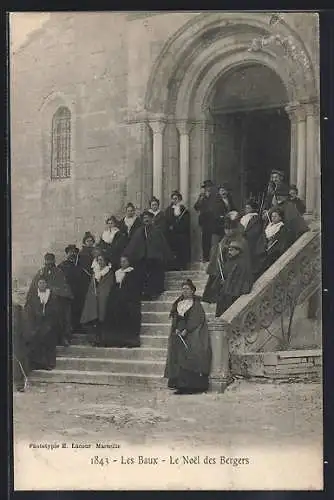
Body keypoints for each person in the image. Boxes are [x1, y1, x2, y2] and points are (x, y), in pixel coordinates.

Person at [164, 279, 212, 395]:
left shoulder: (196, 305)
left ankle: (192, 386)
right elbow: (176, 317)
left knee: (190, 356)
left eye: (187, 289)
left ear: (192, 291)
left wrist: (187, 330)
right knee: (178, 357)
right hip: (178, 333)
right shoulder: (178, 303)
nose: (185, 291)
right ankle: (180, 385)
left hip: (192, 334)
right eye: (183, 289)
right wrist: (176, 328)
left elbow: (196, 319)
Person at [26, 253, 73, 346]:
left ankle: (63, 337)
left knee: (61, 313)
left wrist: (55, 292)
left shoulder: (59, 272)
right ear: (45, 261)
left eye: (51, 260)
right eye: (47, 260)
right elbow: (34, 288)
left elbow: (63, 287)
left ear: (54, 261)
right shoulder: (40, 272)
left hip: (56, 301)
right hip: (42, 302)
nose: (49, 263)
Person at [123, 210, 172, 300]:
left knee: (155, 275)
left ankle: (155, 292)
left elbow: (163, 244)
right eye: (144, 218)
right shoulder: (139, 231)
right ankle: (145, 293)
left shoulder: (157, 231)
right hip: (142, 258)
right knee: (141, 275)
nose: (146, 219)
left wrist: (166, 256)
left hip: (154, 259)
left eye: (148, 218)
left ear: (151, 219)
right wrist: (127, 255)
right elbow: (133, 245)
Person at [202, 218, 247, 304]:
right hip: (220, 264)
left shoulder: (239, 238)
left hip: (232, 266)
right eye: (226, 229)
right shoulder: (224, 239)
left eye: (229, 229)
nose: (227, 231)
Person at [100, 256, 142, 348]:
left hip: (129, 298)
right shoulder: (117, 272)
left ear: (128, 262)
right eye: (121, 261)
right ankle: (114, 340)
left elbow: (134, 287)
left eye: (125, 261)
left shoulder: (132, 272)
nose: (123, 263)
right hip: (117, 297)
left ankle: (129, 341)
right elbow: (115, 285)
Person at [24, 277, 60, 371]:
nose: (42, 285)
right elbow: (29, 309)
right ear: (37, 284)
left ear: (46, 284)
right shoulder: (33, 296)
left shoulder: (52, 295)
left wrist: (50, 322)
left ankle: (49, 364)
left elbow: (55, 310)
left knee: (49, 344)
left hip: (49, 323)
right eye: (40, 283)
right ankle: (37, 364)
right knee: (37, 342)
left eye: (44, 283)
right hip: (36, 323)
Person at [80, 253, 115, 346]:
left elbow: (108, 285)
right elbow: (92, 286)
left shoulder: (109, 272)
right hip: (95, 299)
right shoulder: (95, 272)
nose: (100, 262)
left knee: (103, 319)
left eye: (102, 260)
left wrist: (101, 292)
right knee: (94, 319)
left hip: (104, 298)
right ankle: (95, 339)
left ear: (106, 261)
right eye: (98, 260)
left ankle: (103, 339)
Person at [215, 240, 254, 318]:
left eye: (231, 250)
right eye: (229, 250)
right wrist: (223, 281)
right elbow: (225, 275)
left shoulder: (242, 263)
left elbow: (242, 279)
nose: (229, 252)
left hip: (235, 293)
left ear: (238, 251)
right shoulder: (229, 261)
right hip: (226, 292)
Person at [58, 245, 84, 334]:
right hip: (67, 293)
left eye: (74, 252)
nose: (72, 254)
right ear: (67, 253)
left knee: (78, 309)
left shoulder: (80, 265)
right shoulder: (62, 265)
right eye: (70, 252)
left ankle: (78, 328)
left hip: (78, 292)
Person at [240, 198, 267, 281]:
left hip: (250, 243)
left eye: (248, 208)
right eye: (246, 208)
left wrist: (244, 234)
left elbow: (255, 231)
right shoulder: (243, 217)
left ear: (252, 209)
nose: (246, 209)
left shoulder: (256, 219)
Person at [194, 180, 220, 262]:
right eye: (206, 187)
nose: (207, 189)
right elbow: (196, 207)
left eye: (209, 187)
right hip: (205, 220)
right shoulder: (202, 196)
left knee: (214, 239)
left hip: (213, 219)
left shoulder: (215, 196)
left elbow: (217, 207)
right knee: (205, 239)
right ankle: (206, 257)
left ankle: (215, 257)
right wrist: (201, 199)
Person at [165, 191, 191, 270]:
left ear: (179, 199)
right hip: (172, 235)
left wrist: (178, 227)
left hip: (182, 234)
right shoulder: (168, 210)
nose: (175, 200)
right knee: (174, 251)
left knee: (182, 251)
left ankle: (183, 266)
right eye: (173, 199)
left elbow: (186, 222)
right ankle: (174, 267)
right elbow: (167, 220)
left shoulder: (184, 210)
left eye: (176, 199)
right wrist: (170, 227)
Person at [12, 302, 30, 391]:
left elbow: (22, 326)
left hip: (17, 338)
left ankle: (20, 384)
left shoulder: (17, 308)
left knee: (18, 360)